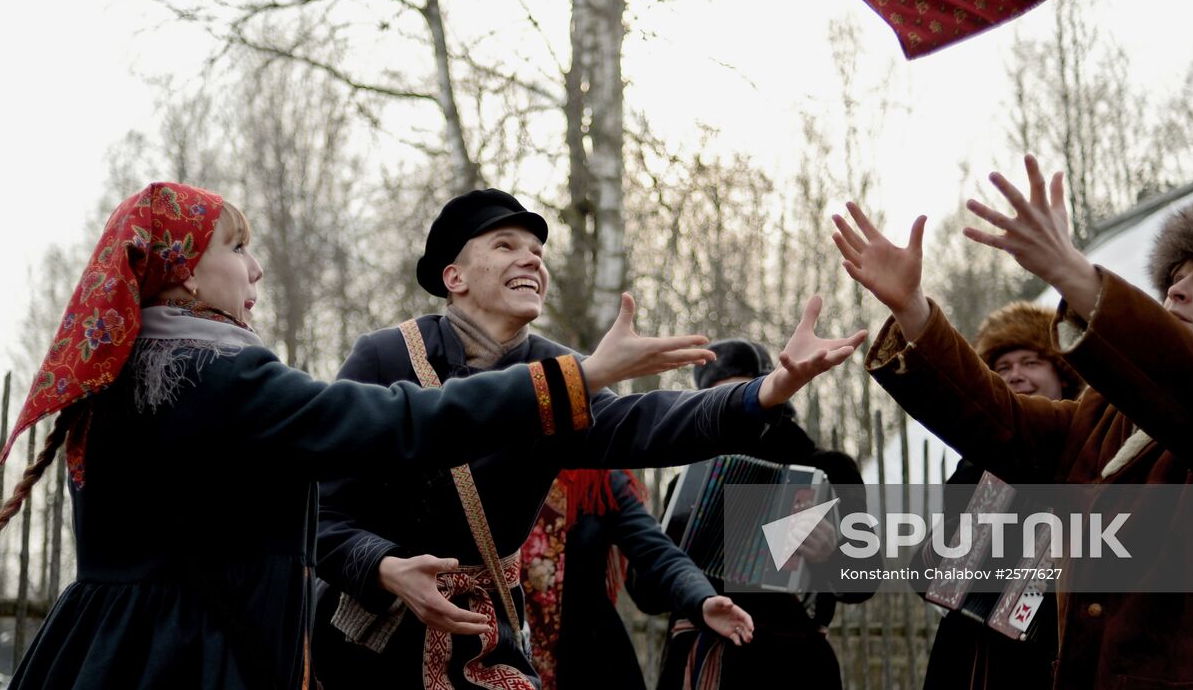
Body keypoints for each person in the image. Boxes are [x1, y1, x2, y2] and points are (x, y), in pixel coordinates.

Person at [0, 182, 706, 690]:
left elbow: (645, 519)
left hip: (94, 648)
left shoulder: (111, 384)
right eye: (236, 248)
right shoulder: (228, 379)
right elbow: (402, 420)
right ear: (186, 276)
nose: (255, 265)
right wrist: (578, 378)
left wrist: (762, 396)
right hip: (193, 657)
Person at [312, 189, 865, 689]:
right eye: (506, 245)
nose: (531, 258)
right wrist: (386, 568)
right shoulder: (385, 357)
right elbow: (321, 513)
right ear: (453, 277)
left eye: (537, 251)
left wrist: (766, 391)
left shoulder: (558, 367)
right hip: (372, 644)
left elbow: (645, 421)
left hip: (487, 644)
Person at [833, 156, 1193, 688]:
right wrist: (915, 311)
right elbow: (1004, 425)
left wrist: (1073, 276)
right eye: (1173, 279)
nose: (1176, 290)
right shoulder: (1109, 413)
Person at [651, 338, 878, 690]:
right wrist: (670, 554)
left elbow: (865, 580)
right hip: (703, 662)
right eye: (717, 401)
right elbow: (645, 594)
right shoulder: (688, 482)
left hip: (795, 665)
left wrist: (830, 556)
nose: (733, 409)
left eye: (744, 393)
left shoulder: (830, 470)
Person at [921, 302, 1083, 690]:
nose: (1016, 376)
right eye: (1003, 368)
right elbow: (930, 568)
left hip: (1052, 657)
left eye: (1031, 363)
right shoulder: (973, 460)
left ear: (1062, 374)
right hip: (966, 655)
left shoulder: (1084, 453)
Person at [519, 467, 750, 689]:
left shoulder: (598, 478)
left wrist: (701, 599)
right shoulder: (491, 468)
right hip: (500, 651)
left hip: (586, 658)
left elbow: (656, 552)